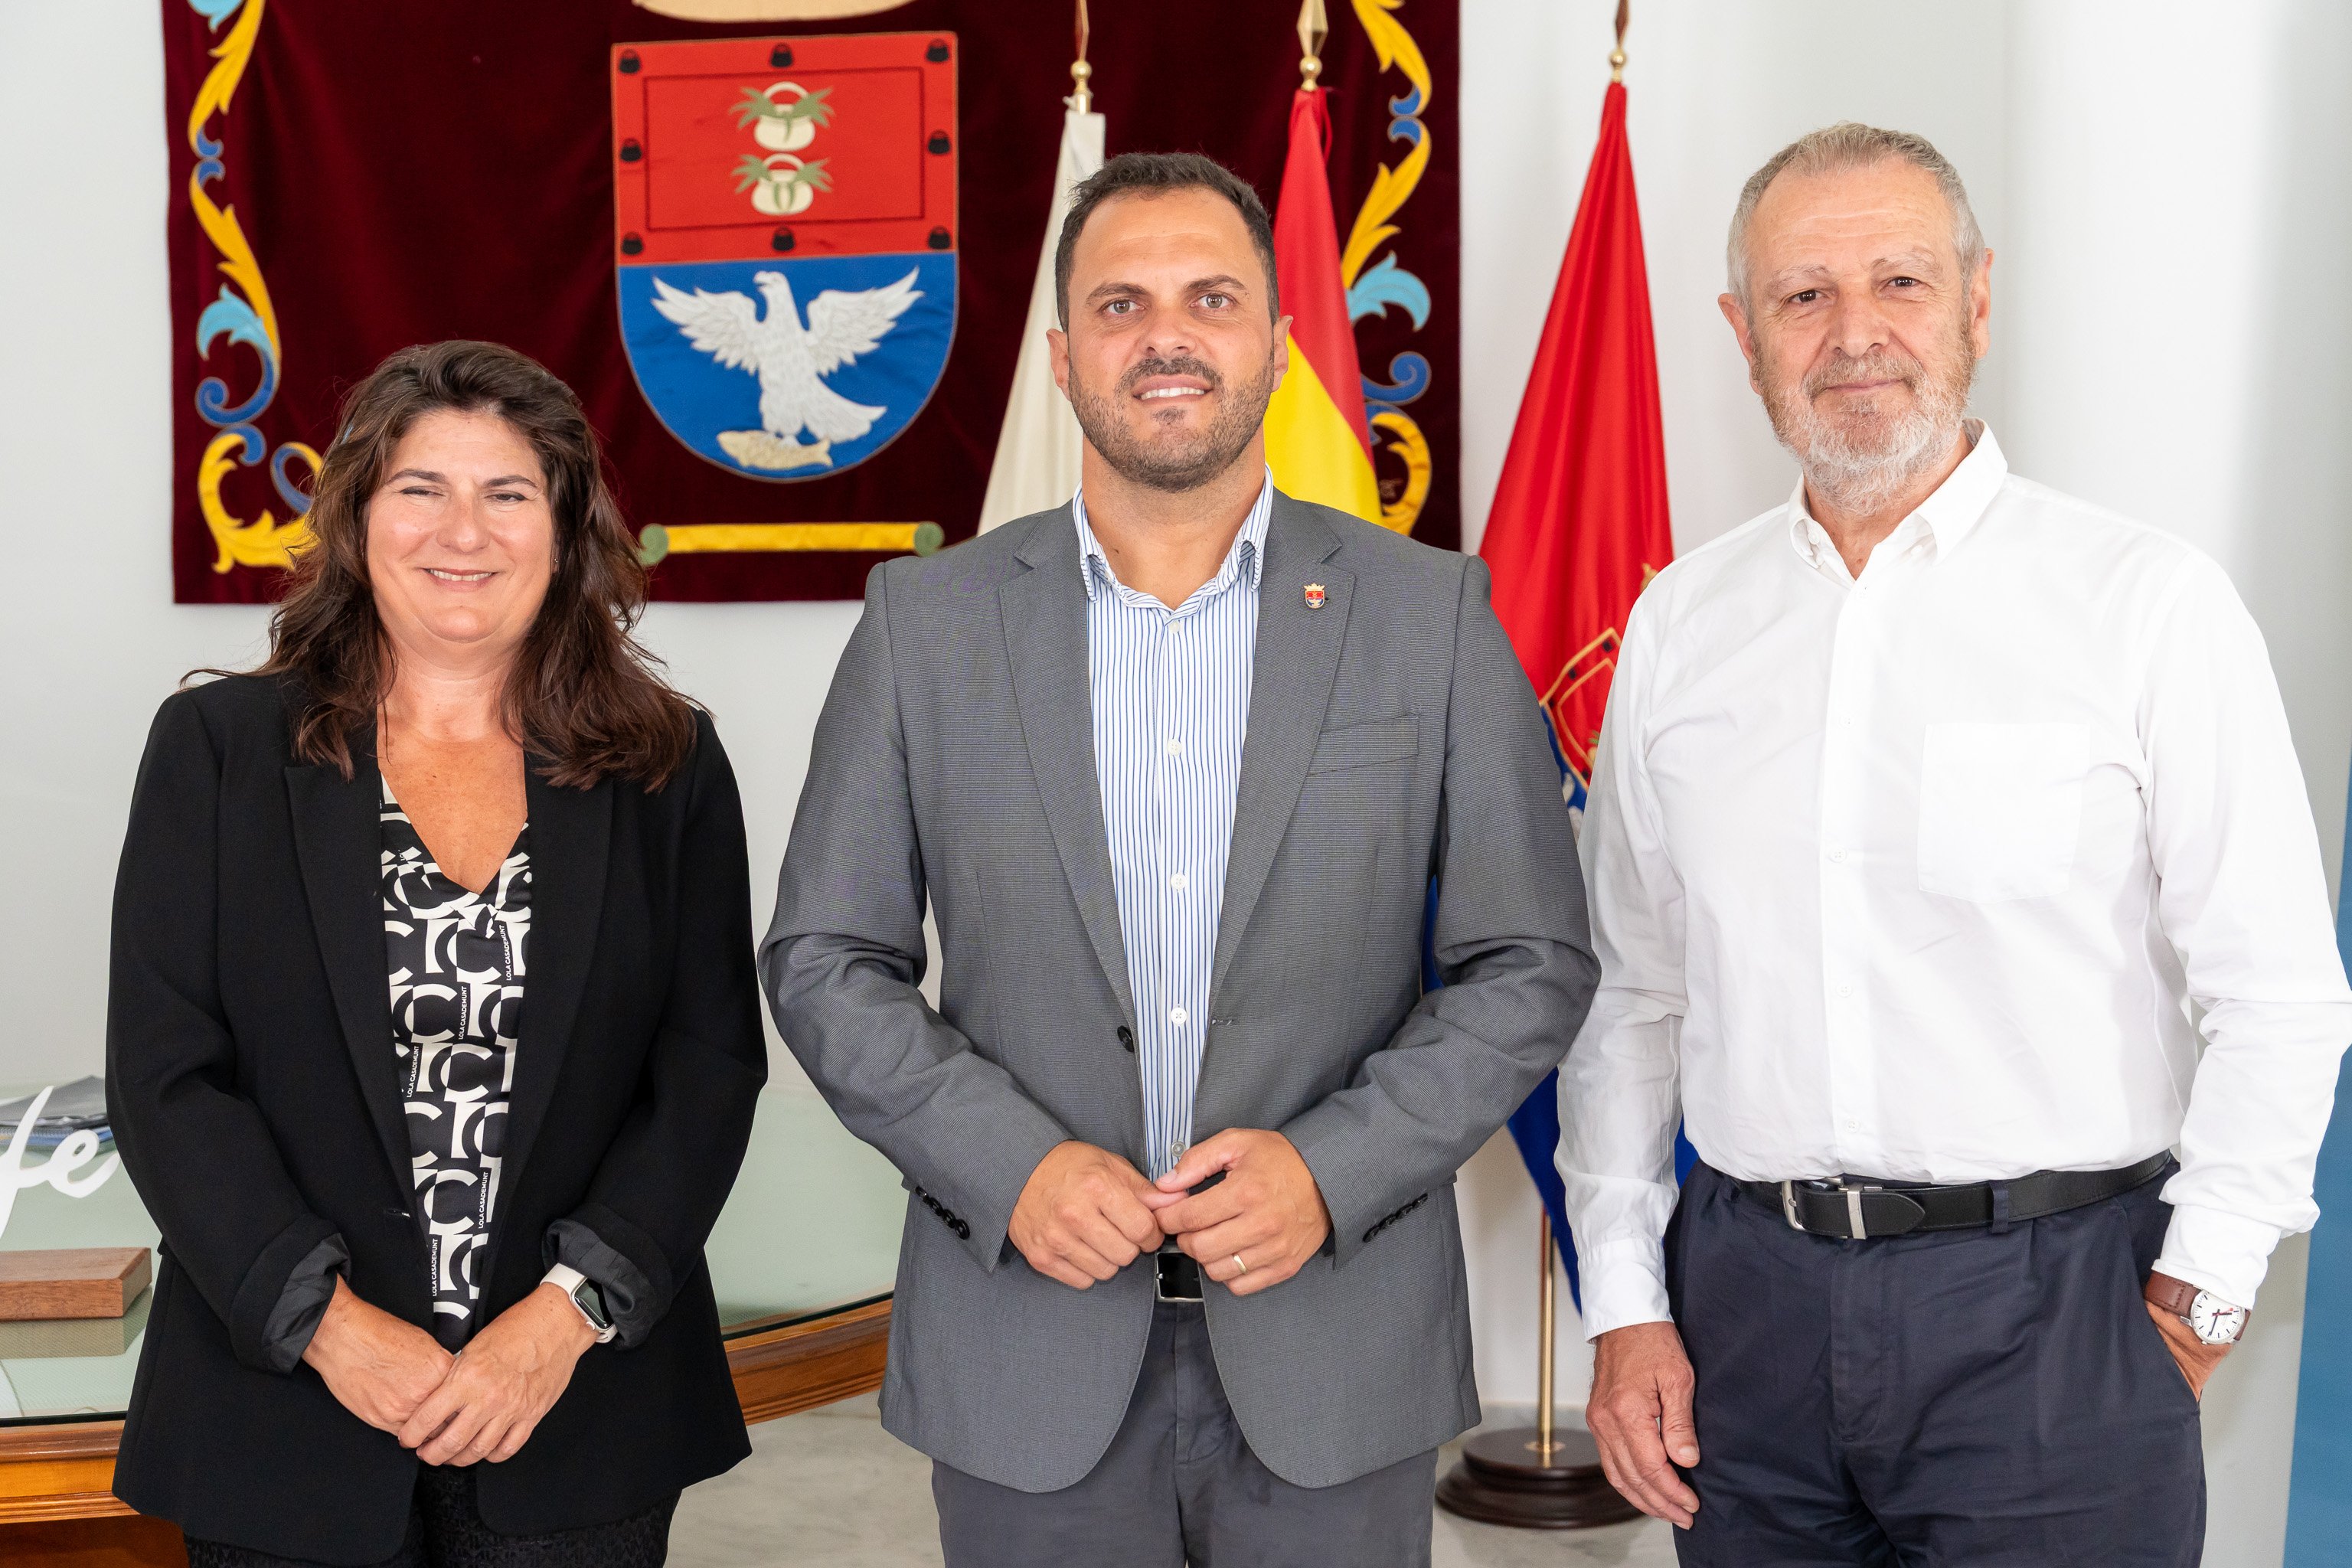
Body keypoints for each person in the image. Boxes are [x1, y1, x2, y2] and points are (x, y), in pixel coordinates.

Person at [763, 152, 1595, 1567]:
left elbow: (1530, 962)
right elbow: (826, 959)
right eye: (1122, 302)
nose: (1166, 336)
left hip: (1338, 1352)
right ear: (1063, 353)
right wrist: (1008, 1164)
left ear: (1275, 341)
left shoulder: (1431, 613)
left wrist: (1331, 1171)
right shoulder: (929, 621)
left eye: (1211, 298)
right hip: (1024, 1345)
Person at [1557, 122, 2352, 1564]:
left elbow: (2282, 995)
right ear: (1742, 335)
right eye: (1803, 295)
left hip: (2060, 1322)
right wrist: (1626, 1300)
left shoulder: (2149, 606)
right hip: (1747, 1315)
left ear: (1979, 300)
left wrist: (2202, 1297)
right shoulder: (1682, 621)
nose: (1855, 334)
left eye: (1901, 283)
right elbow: (1630, 996)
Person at [108, 340, 768, 1566]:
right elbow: (166, 1075)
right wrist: (331, 1327)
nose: (463, 531)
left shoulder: (668, 765)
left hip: (574, 1409)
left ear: (565, 531)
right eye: (421, 489)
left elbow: (709, 1068)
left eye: (508, 493)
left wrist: (559, 1324)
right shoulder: (217, 751)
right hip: (284, 1413)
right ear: (358, 520)